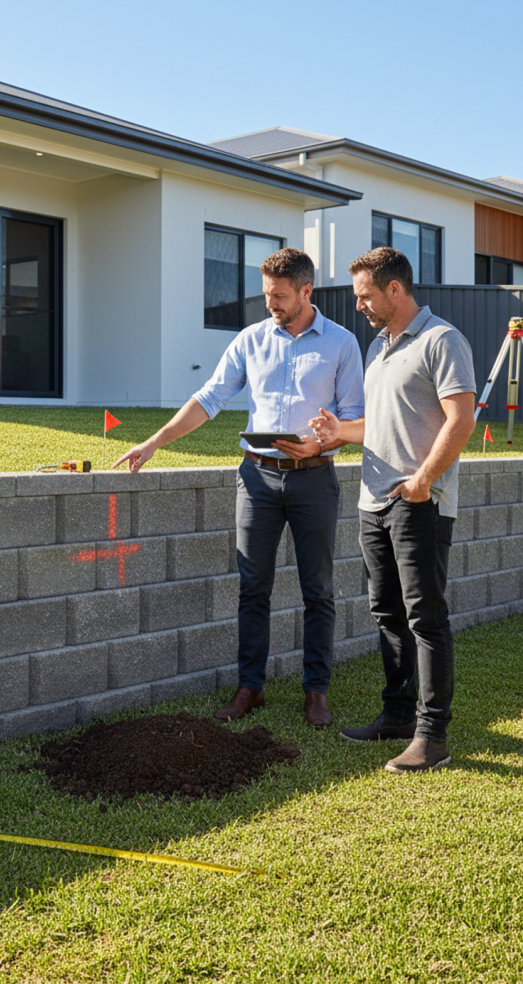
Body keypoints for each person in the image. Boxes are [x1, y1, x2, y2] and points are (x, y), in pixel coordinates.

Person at [114, 248, 364, 727]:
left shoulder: (342, 344)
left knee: (318, 589)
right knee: (253, 588)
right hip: (257, 479)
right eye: (266, 294)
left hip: (315, 480)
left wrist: (318, 444)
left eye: (279, 296)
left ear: (306, 291)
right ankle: (250, 688)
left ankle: (317, 693)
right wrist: (155, 441)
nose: (270, 302)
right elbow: (209, 397)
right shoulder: (250, 340)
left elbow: (354, 418)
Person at [311, 247, 476, 771]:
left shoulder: (441, 340)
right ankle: (398, 716)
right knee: (387, 614)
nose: (359, 304)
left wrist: (423, 481)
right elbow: (380, 426)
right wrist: (339, 432)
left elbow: (461, 419)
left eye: (365, 295)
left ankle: (433, 735)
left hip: (418, 502)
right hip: (372, 503)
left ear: (395, 290)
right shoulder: (379, 348)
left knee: (426, 617)